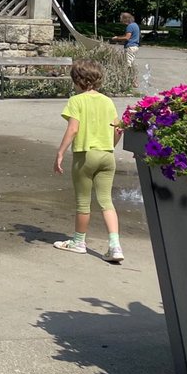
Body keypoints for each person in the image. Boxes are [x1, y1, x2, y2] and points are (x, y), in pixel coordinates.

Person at [53, 60, 124, 262]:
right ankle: (115, 246)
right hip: (107, 155)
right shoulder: (107, 101)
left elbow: (73, 129)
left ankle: (78, 242)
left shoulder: (76, 101)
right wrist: (110, 145)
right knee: (106, 201)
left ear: (77, 80)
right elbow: (118, 129)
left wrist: (60, 153)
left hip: (85, 155)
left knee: (83, 202)